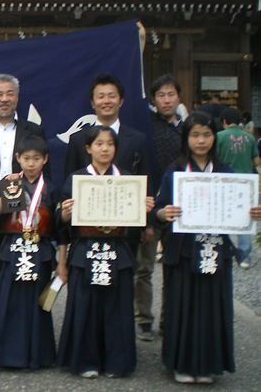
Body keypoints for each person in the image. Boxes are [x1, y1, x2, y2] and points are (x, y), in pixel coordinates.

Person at [154, 111, 261, 384]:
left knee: (212, 307)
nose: (201, 141)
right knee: (183, 306)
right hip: (183, 251)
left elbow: (240, 207)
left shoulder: (226, 172)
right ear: (186, 138)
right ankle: (180, 363)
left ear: (214, 137)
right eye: (195, 135)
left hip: (216, 249)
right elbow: (158, 207)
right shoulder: (175, 171)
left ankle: (208, 365)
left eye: (207, 134)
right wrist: (163, 213)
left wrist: (252, 213)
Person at [56, 125, 154, 378]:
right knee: (85, 305)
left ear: (115, 149)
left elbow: (137, 226)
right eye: (99, 144)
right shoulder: (76, 179)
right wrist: (65, 214)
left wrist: (143, 209)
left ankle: (116, 362)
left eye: (110, 144)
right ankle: (85, 360)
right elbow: (62, 223)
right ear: (88, 148)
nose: (105, 148)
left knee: (116, 307)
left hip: (117, 249)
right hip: (85, 249)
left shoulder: (127, 178)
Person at [0, 135, 61, 369]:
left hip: (39, 250)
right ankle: (7, 356)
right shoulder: (9, 182)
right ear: (17, 158)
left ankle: (38, 355)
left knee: (37, 302)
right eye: (26, 158)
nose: (31, 163)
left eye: (36, 159)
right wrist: (6, 196)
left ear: (45, 160)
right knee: (9, 301)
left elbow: (58, 225)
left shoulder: (51, 188)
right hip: (12, 247)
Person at [135, 74, 183, 341]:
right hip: (151, 207)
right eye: (161, 95)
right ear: (153, 100)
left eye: (171, 94)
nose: (166, 100)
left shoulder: (188, 130)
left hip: (180, 210)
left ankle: (168, 319)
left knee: (174, 268)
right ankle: (143, 319)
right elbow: (136, 87)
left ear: (179, 97)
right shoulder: (147, 125)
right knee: (144, 268)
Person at [64, 74, 151, 191]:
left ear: (121, 101)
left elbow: (146, 185)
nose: (106, 101)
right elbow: (70, 187)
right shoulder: (77, 139)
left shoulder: (138, 139)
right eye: (101, 97)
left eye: (112, 96)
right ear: (92, 103)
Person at [216, 107, 260, 269]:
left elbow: (215, 159)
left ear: (225, 122)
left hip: (225, 181)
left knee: (222, 215)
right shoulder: (249, 137)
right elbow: (256, 162)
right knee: (243, 217)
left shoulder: (220, 136)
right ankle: (245, 256)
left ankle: (221, 250)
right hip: (246, 183)